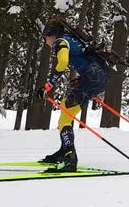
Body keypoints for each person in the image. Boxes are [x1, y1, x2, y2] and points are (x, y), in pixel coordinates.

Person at [37, 18, 111, 172]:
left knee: (65, 115)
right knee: (67, 111)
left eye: (46, 38)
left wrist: (48, 86)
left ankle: (70, 158)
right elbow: (85, 60)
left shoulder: (60, 42)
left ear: (52, 35)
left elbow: (63, 62)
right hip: (98, 77)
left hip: (91, 78)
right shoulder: (71, 39)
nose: (46, 42)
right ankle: (64, 151)